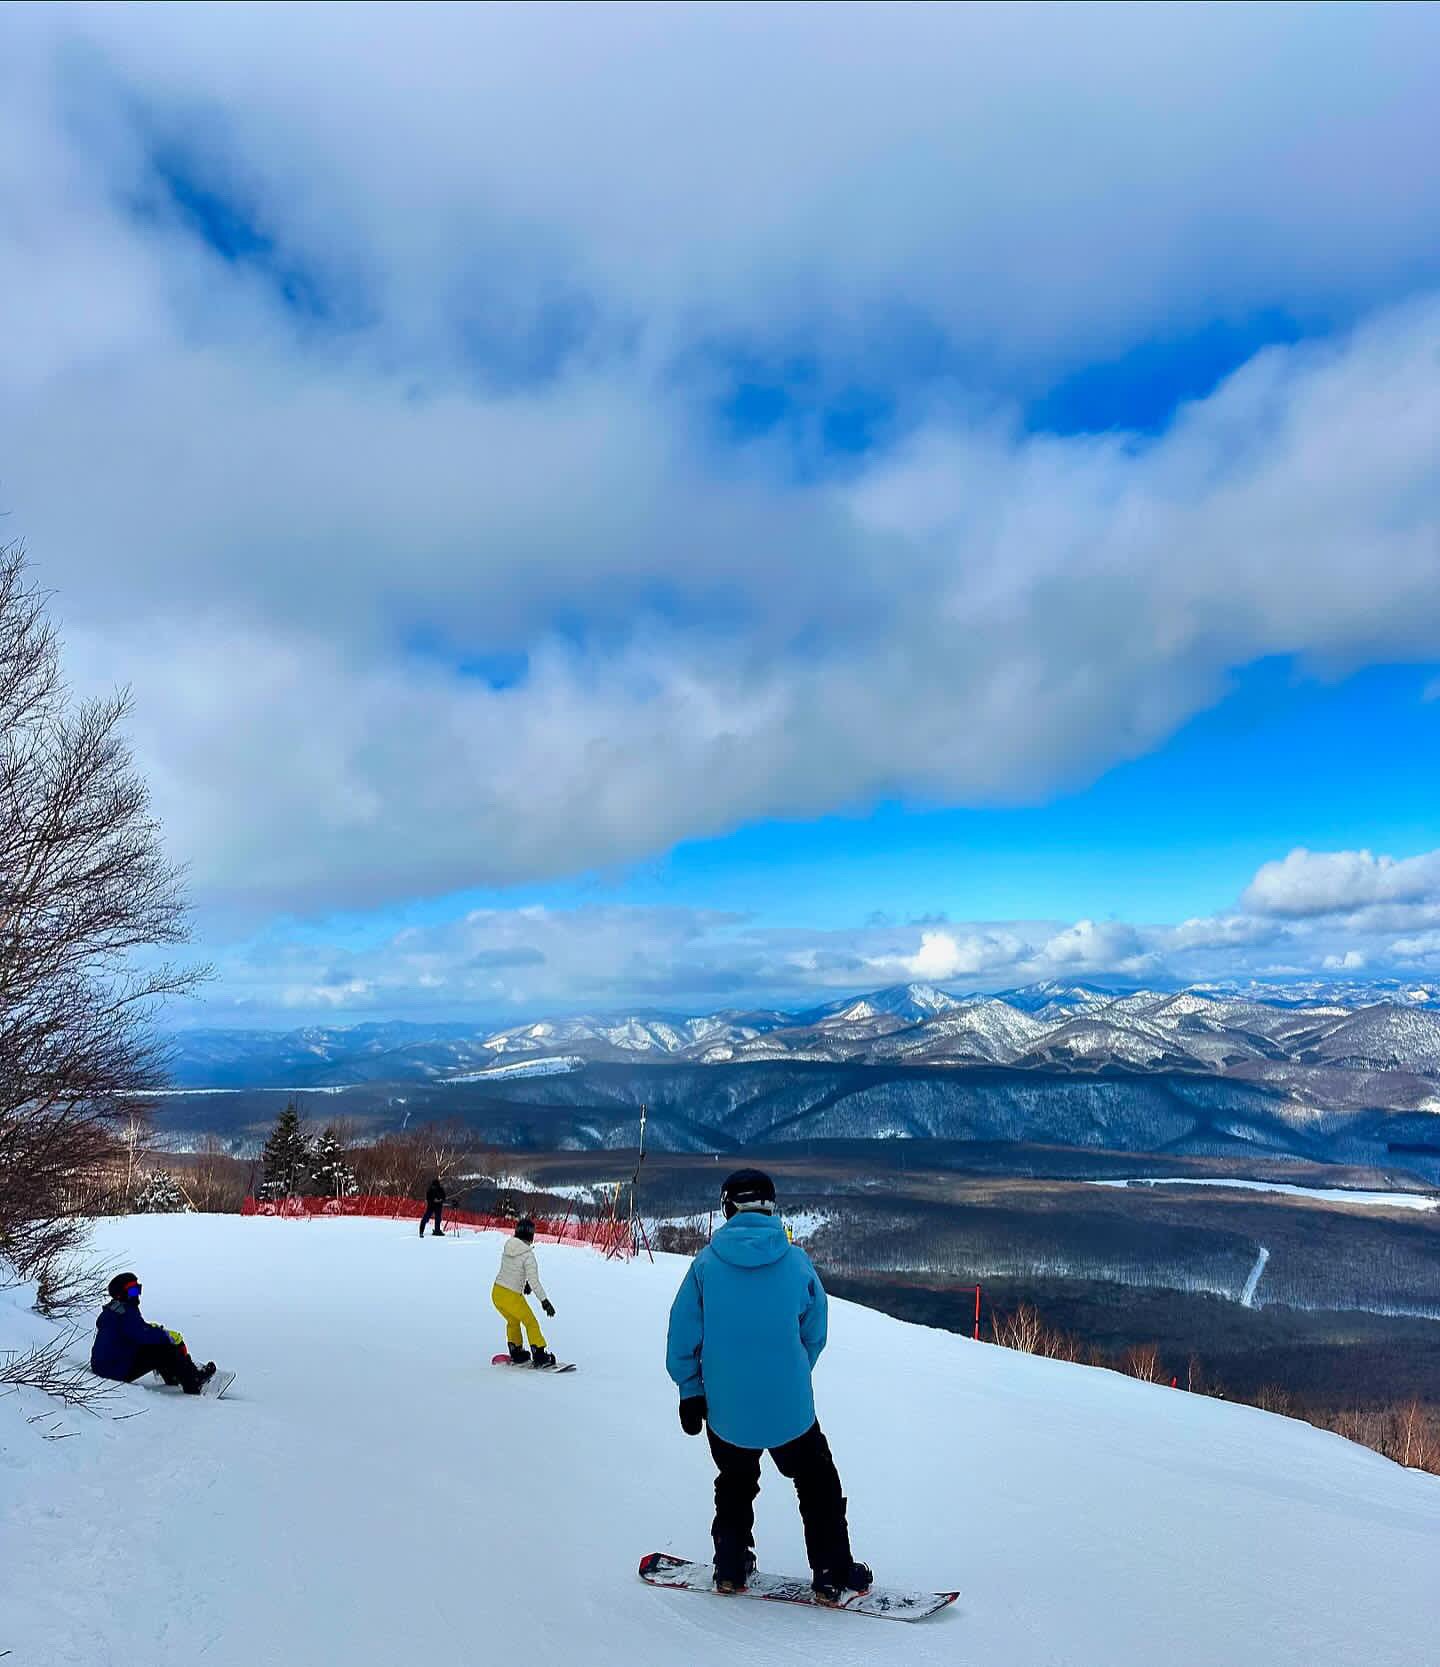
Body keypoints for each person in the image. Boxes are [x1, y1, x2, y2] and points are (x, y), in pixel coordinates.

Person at [665, 1167, 871, 1603]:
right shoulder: (796, 1263)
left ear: (728, 1208)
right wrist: (790, 1373)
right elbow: (815, 1332)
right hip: (789, 1410)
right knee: (817, 1483)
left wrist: (690, 1391)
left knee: (735, 1481)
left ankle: (730, 1565)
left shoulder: (705, 1266)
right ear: (770, 1207)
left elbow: (682, 1335)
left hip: (725, 1409)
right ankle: (832, 1571)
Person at [91, 1272, 216, 1395]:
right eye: (133, 1291)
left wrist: (153, 1329)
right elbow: (142, 1335)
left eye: (138, 1290)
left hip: (104, 1366)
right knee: (164, 1347)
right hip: (115, 1370)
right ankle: (193, 1381)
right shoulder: (125, 1311)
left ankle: (173, 1375)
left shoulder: (115, 1310)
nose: (137, 1294)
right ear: (122, 1293)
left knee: (156, 1344)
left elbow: (135, 1330)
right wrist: (166, 1335)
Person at [491, 1217, 557, 1367]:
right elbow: (535, 1282)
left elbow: (512, 1269)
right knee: (531, 1322)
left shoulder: (508, 1246)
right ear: (531, 1235)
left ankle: (516, 1351)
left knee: (513, 1321)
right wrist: (545, 1301)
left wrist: (524, 1283)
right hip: (512, 1296)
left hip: (497, 1293)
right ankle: (539, 1354)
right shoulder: (528, 1255)